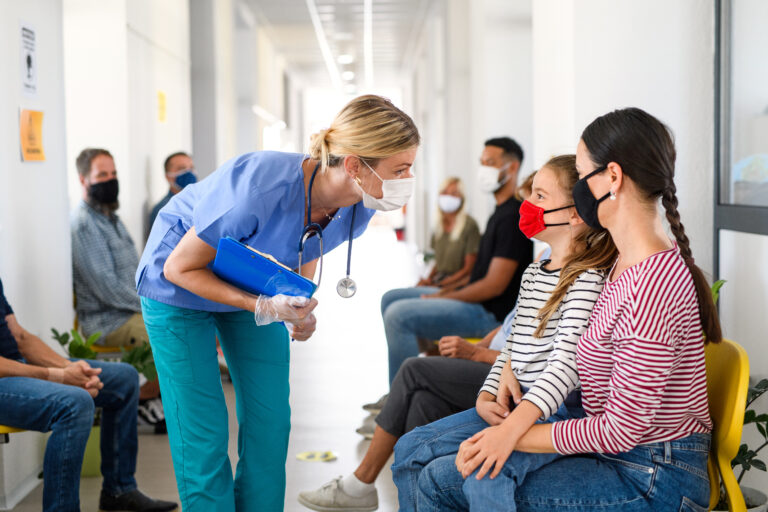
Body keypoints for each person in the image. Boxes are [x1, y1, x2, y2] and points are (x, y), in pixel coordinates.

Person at [409, 108, 720, 511]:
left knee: (441, 480)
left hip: (652, 476)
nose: (578, 191)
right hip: (619, 455)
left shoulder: (652, 286)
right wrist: (510, 383)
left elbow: (621, 430)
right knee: (433, 460)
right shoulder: (621, 262)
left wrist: (512, 436)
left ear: (612, 177)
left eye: (582, 174)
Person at [135, 95, 420, 512]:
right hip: (178, 284)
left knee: (270, 422)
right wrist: (262, 306)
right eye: (400, 169)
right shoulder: (259, 186)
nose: (409, 178)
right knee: (202, 428)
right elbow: (180, 268)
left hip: (251, 279)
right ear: (355, 166)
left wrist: (299, 304)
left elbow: (308, 242)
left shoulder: (361, 202)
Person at [392, 154, 617, 511]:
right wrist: (486, 396)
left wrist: (512, 426)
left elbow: (566, 368)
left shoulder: (586, 278)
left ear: (575, 214)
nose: (527, 205)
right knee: (409, 449)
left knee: (486, 473)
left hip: (553, 413)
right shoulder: (533, 273)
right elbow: (513, 347)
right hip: (511, 404)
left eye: (540, 196)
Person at [0, 278, 177, 512]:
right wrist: (56, 375)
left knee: (124, 379)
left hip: (16, 368)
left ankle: (119, 490)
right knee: (74, 404)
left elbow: (19, 337)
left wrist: (69, 368)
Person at [376, 137, 533, 394]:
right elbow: (476, 273)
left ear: (512, 168)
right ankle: (406, 384)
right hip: (473, 301)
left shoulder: (513, 217)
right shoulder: (499, 212)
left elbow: (493, 286)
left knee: (398, 316)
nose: (483, 169)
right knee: (390, 298)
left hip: (487, 313)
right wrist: (444, 290)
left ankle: (398, 399)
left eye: (490, 162)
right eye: (482, 162)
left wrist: (444, 295)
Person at [71, 147, 165, 433]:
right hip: (108, 321)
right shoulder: (84, 225)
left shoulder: (112, 219)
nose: (110, 180)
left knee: (176, 323)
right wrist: (152, 303)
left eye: (113, 173)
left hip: (129, 311)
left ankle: (153, 399)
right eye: (102, 175)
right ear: (83, 180)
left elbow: (134, 272)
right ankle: (142, 402)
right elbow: (108, 289)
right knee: (164, 331)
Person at [417, 177, 480, 290]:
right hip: (439, 281)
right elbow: (439, 264)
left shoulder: (470, 225)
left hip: (457, 285)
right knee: (393, 296)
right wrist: (428, 280)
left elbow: (468, 270)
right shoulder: (438, 226)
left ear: (462, 198)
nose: (448, 196)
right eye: (445, 192)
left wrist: (439, 285)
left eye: (454, 193)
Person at [147, 152, 196, 236]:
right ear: (168, 176)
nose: (189, 172)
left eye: (191, 168)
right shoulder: (164, 210)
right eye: (181, 169)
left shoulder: (198, 202)